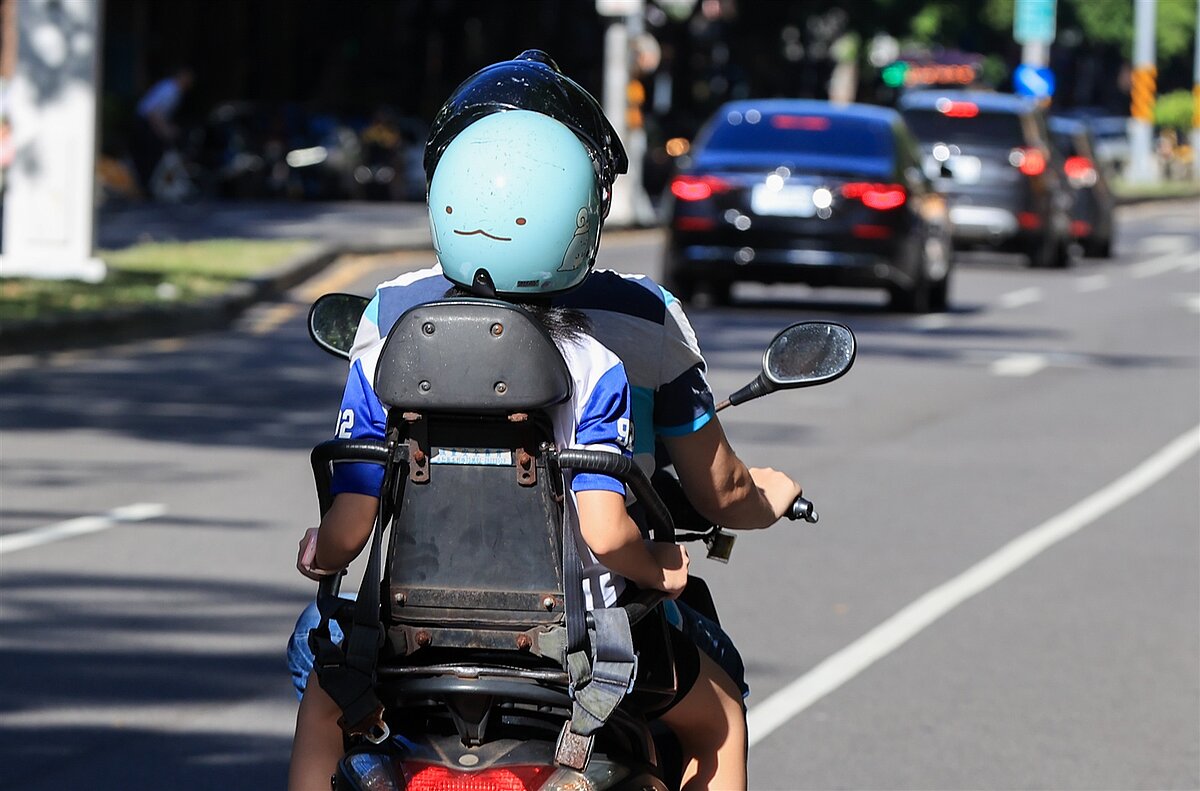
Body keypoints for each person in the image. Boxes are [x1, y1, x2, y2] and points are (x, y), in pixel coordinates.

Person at [289, 54, 766, 791]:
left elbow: (350, 515)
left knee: (321, 700)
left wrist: (325, 552)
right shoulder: (608, 349)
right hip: (578, 648)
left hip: (410, 643)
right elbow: (616, 525)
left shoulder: (387, 323)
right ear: (583, 215)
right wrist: (665, 565)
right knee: (720, 720)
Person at [130, 66, 194, 194]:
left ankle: (146, 187)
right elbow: (154, 113)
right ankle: (145, 188)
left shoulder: (171, 88)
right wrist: (164, 131)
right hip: (146, 124)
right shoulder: (171, 90)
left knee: (152, 154)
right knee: (150, 155)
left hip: (148, 122)